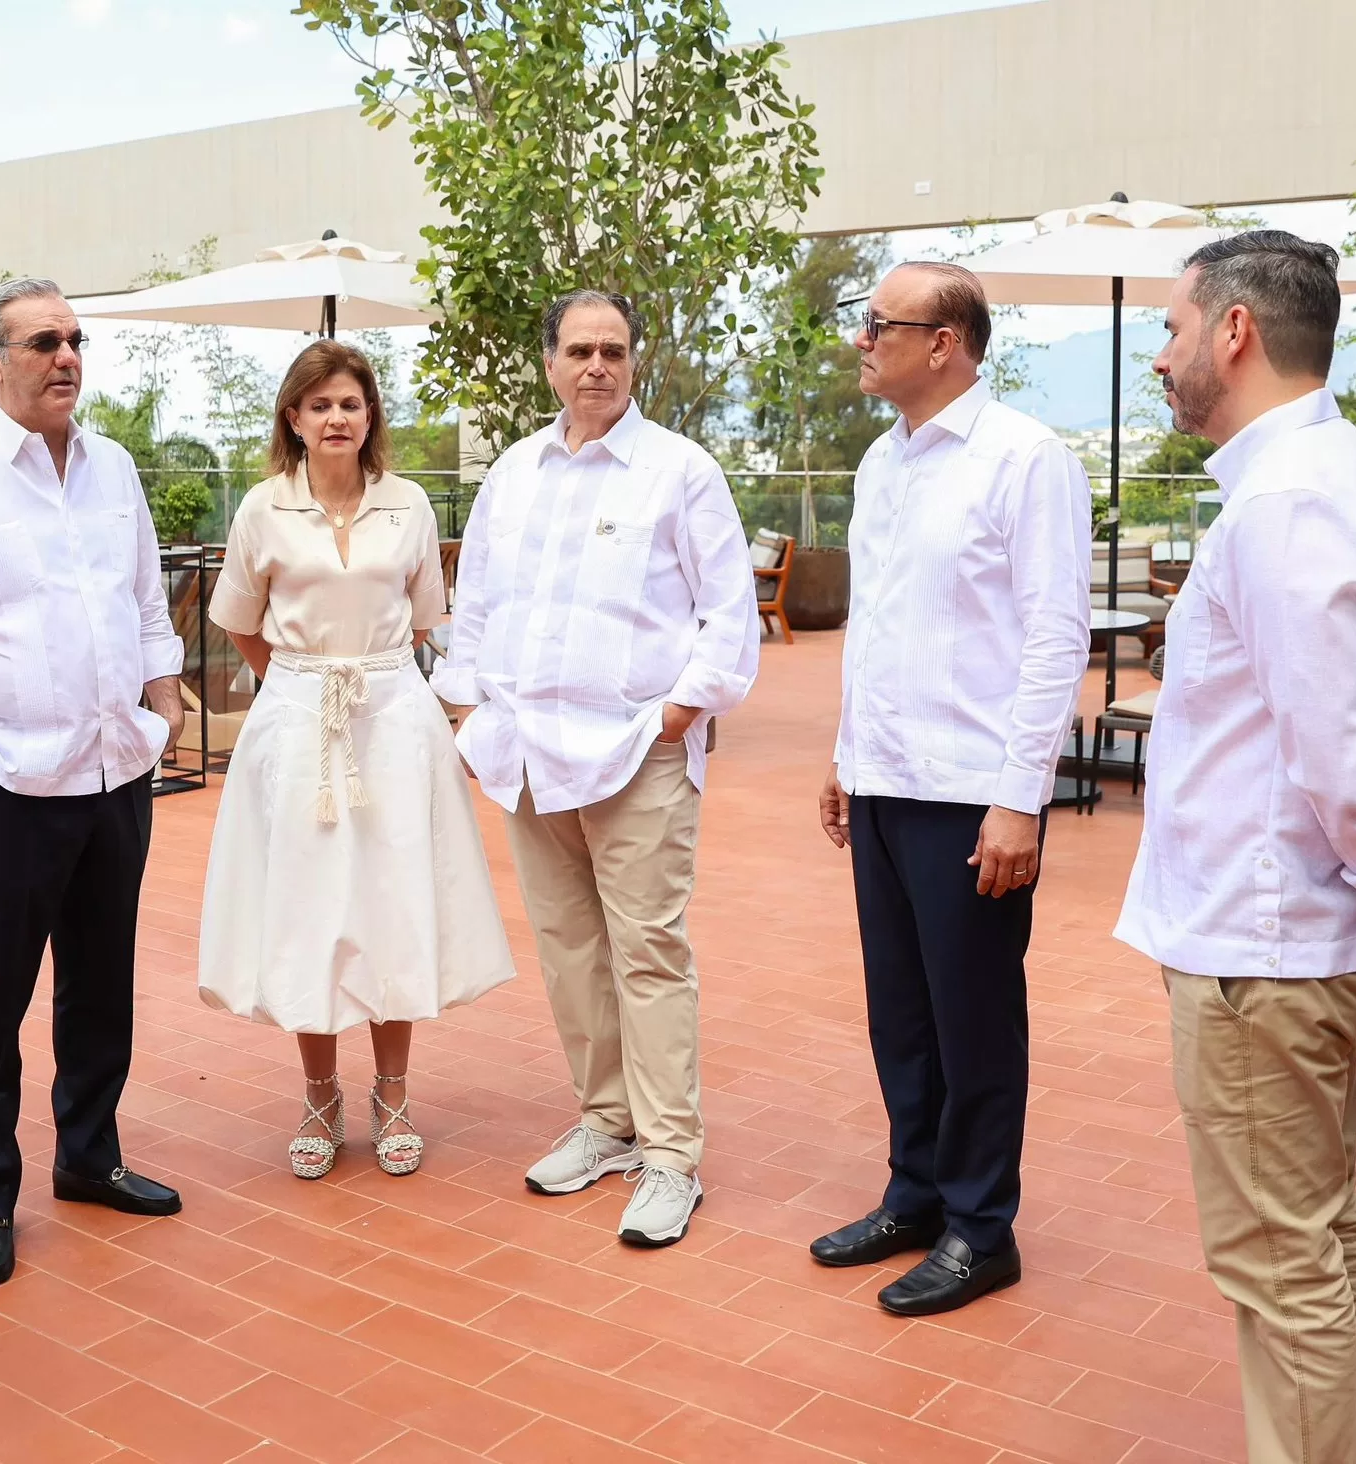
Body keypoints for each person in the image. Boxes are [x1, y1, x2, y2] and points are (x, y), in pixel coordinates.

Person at [1114, 230, 1356, 1464]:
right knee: (1316, 1240)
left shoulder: (1283, 501)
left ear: (1233, 331)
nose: (1160, 359)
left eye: (1172, 330)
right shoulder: (1350, 478)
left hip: (1261, 948)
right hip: (1282, 935)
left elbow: (1338, 749)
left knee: (1279, 1264)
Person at [0, 277, 187, 1288]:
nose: (66, 357)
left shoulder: (114, 470)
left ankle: (90, 1158)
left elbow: (146, 601)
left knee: (101, 987)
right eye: (43, 341)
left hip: (113, 774)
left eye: (75, 340)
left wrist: (164, 703)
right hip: (6, 788)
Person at [433, 289, 759, 1248]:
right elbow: (477, 599)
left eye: (613, 350)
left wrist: (677, 714)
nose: (597, 367)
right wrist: (467, 710)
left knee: (649, 951)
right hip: (529, 751)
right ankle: (607, 1122)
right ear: (550, 362)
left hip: (636, 755)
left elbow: (728, 611)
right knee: (570, 948)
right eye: (580, 350)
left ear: (634, 362)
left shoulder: (680, 472)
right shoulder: (514, 474)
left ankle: (669, 1157)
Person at [810, 262, 1092, 1316]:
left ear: (945, 343)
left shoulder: (1024, 460)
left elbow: (1053, 635)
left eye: (878, 323)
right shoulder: (880, 464)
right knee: (902, 1013)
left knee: (973, 1015)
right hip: (886, 779)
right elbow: (878, 625)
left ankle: (981, 1226)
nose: (860, 339)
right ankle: (914, 1193)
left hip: (973, 790)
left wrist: (1020, 797)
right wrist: (846, 754)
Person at [198, 340, 513, 1179]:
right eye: (320, 405)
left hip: (393, 725)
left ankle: (396, 1094)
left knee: (390, 903)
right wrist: (299, 685)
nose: (337, 417)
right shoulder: (263, 508)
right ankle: (321, 1095)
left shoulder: (408, 505)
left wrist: (367, 684)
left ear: (370, 415)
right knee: (309, 906)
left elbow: (420, 623)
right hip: (299, 725)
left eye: (351, 403)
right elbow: (239, 621)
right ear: (293, 419)